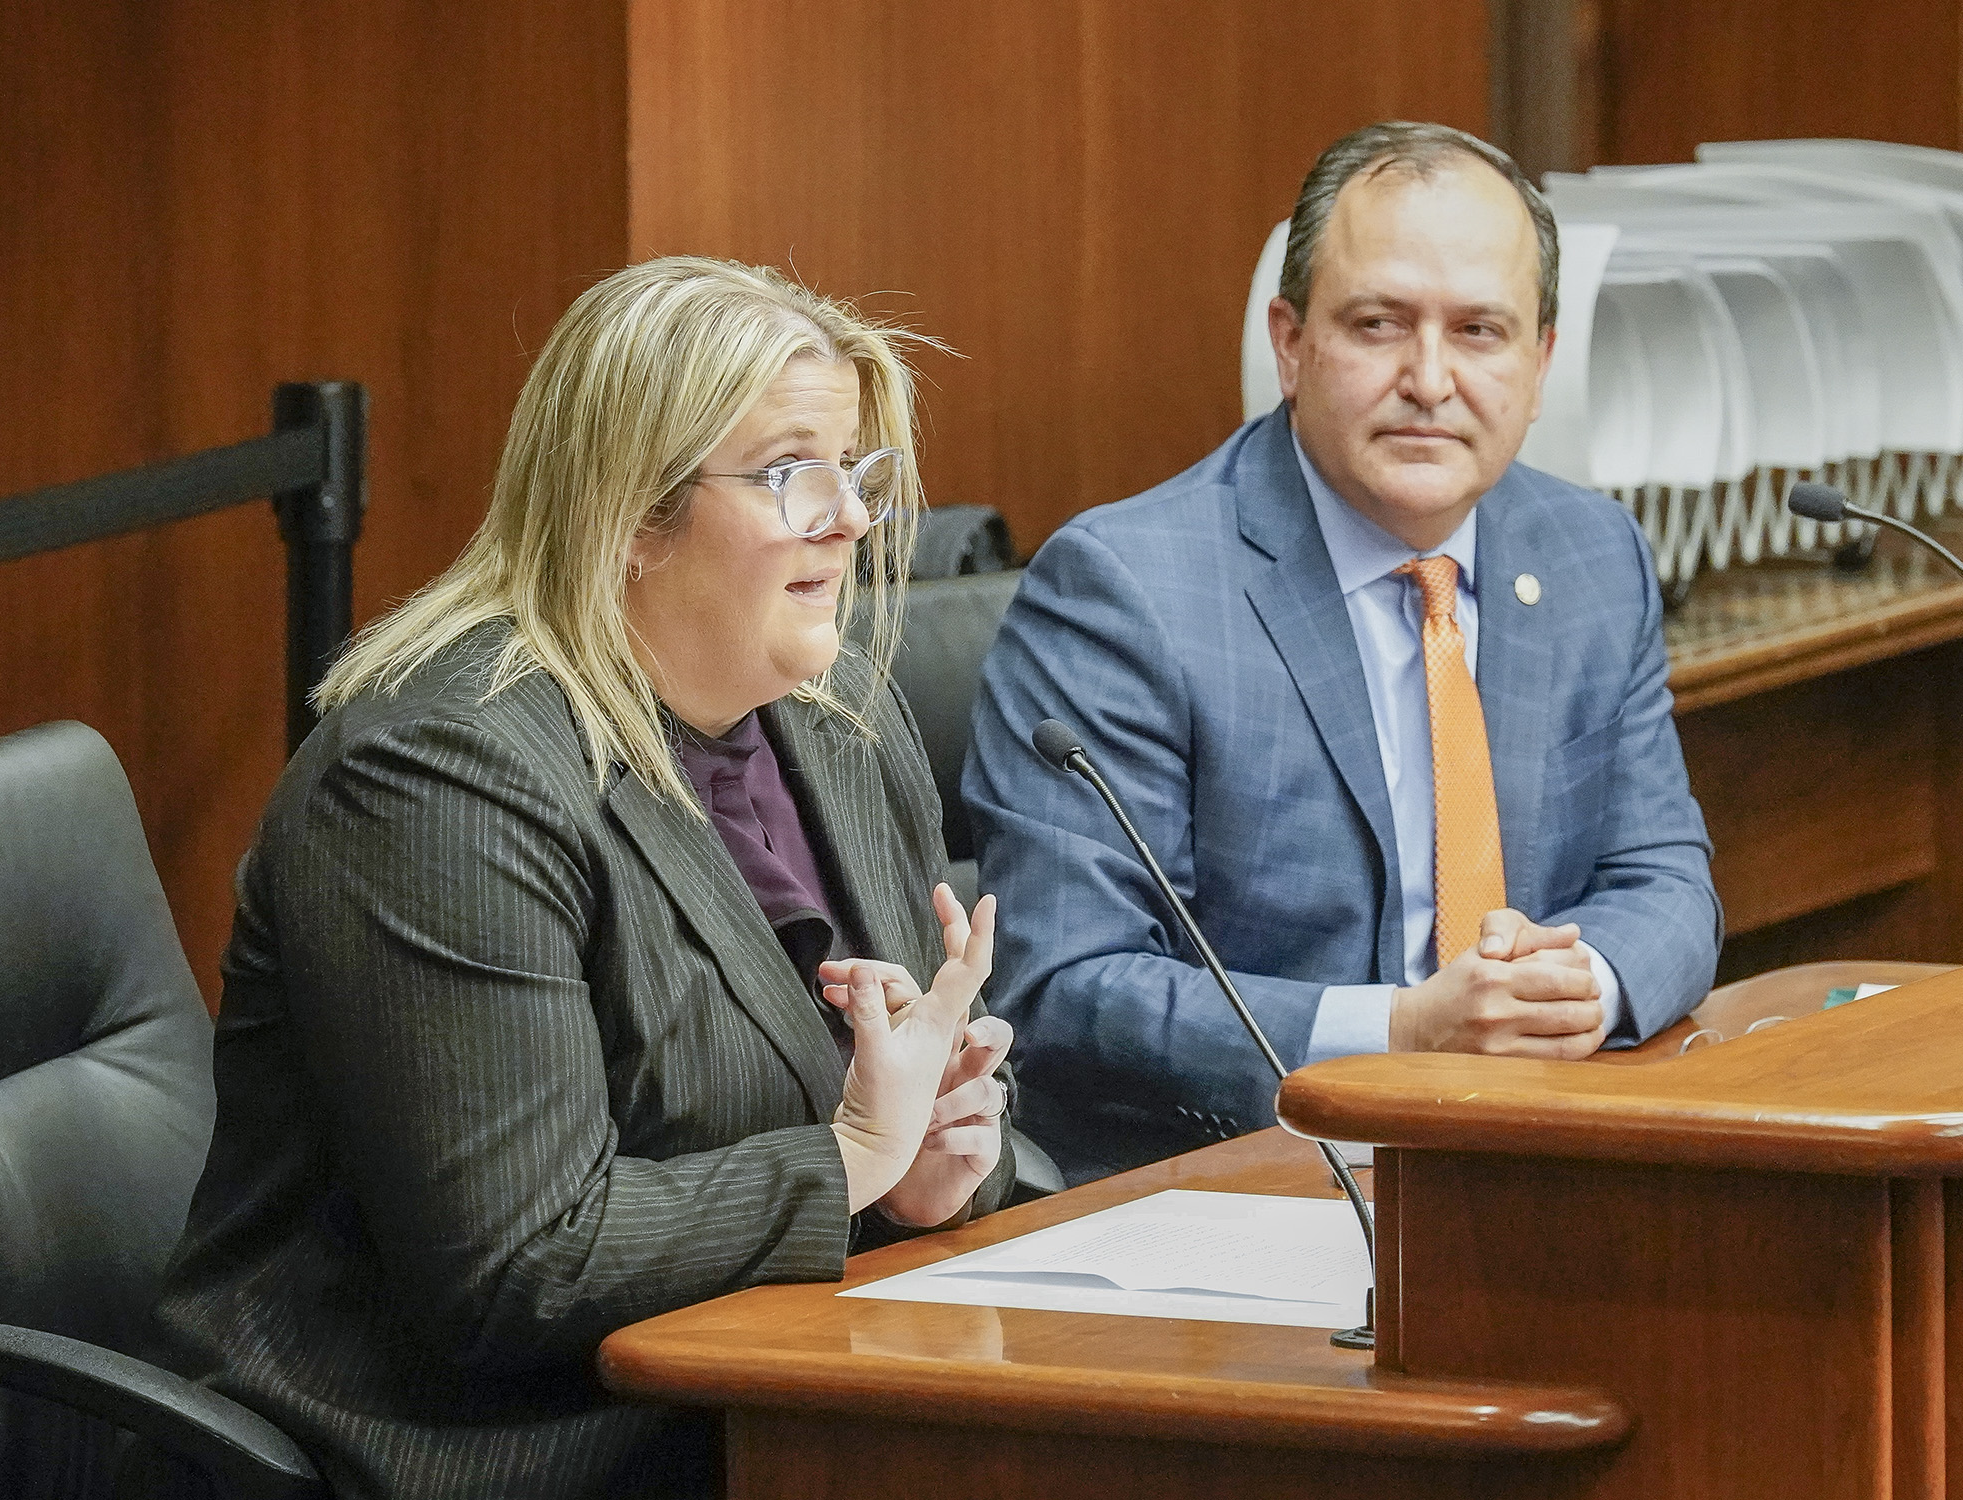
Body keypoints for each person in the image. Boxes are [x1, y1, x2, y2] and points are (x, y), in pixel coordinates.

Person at [150, 257, 1017, 1499]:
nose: (852, 519)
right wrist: (850, 1162)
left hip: (762, 1399)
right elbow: (517, 1266)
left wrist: (933, 1167)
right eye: (792, 474)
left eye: (856, 472)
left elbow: (898, 1104)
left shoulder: (842, 727)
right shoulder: (438, 776)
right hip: (474, 1452)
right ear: (628, 513)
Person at [963, 122, 1721, 1184]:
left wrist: (1580, 984)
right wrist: (1400, 1034)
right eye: (1378, 324)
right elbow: (1067, 984)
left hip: (1535, 1158)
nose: (1430, 378)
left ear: (1541, 362)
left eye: (1480, 332)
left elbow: (1667, 879)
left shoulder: (1593, 553)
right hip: (1233, 1183)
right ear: (1291, 342)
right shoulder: (1128, 590)